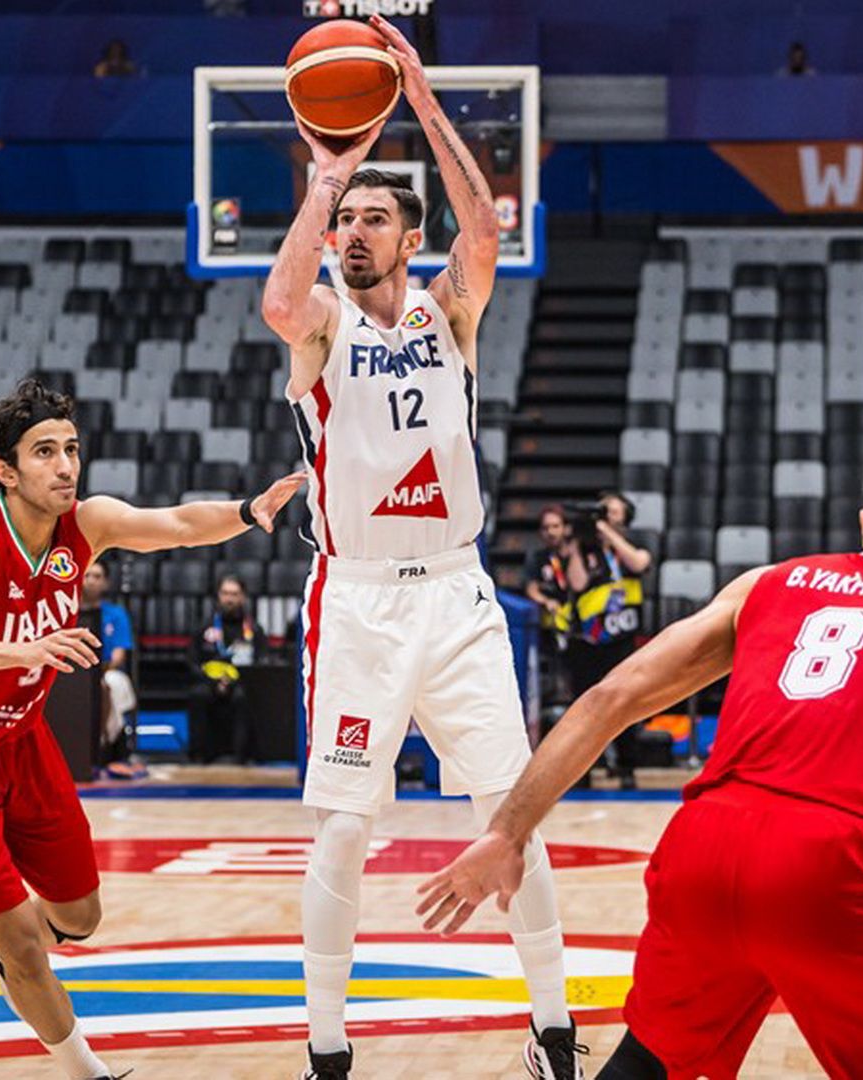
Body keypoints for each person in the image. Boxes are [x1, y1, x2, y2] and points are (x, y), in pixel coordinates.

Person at [419, 438, 863, 1080]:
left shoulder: (767, 583)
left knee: (652, 1056)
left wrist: (508, 831)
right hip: (831, 864)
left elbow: (610, 698)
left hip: (701, 847)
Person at [259, 17, 580, 1079]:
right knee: (345, 828)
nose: (355, 231)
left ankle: (554, 1032)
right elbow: (276, 299)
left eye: (374, 218)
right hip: (357, 602)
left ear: (410, 239)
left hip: (455, 596)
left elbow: (484, 225)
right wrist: (328, 173)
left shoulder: (450, 315)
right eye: (345, 220)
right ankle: (326, 1050)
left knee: (507, 813)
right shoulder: (321, 325)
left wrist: (425, 104)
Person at [0, 377, 303, 1080]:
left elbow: (178, 525)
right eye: (44, 452)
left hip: (22, 744)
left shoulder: (87, 525)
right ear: (5, 471)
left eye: (71, 449)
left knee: (79, 918)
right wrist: (23, 651)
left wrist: (247, 510)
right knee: (25, 947)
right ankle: (85, 1069)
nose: (65, 466)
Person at [562, 492, 651, 788]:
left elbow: (639, 564)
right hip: (587, 639)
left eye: (612, 512)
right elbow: (577, 583)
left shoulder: (633, 544)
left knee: (625, 703)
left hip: (621, 637)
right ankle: (582, 770)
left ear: (625, 517)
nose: (605, 516)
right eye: (603, 511)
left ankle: (626, 766)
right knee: (584, 707)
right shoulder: (584, 547)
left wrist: (606, 532)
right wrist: (577, 544)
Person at [189, 572, 264, 764]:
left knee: (243, 697)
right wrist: (215, 682)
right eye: (225, 593)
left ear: (243, 597)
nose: (229, 599)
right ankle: (199, 755)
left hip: (242, 683)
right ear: (218, 596)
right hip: (209, 682)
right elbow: (192, 662)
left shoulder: (254, 630)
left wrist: (231, 683)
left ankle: (241, 756)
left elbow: (261, 664)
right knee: (198, 695)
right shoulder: (203, 627)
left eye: (234, 594)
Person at [80, 560, 142, 778]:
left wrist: (95, 672)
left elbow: (118, 657)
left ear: (105, 582)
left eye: (97, 576)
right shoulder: (67, 610)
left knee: (112, 684)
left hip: (107, 671)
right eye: (86, 575)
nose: (90, 581)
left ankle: (104, 745)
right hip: (70, 675)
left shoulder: (116, 614)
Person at [523, 506, 574, 715]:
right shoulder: (538, 557)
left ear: (566, 528)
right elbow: (531, 589)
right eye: (546, 528)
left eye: (555, 526)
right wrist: (546, 601)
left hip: (579, 624)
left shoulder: (576, 555)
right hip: (550, 625)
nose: (551, 532)